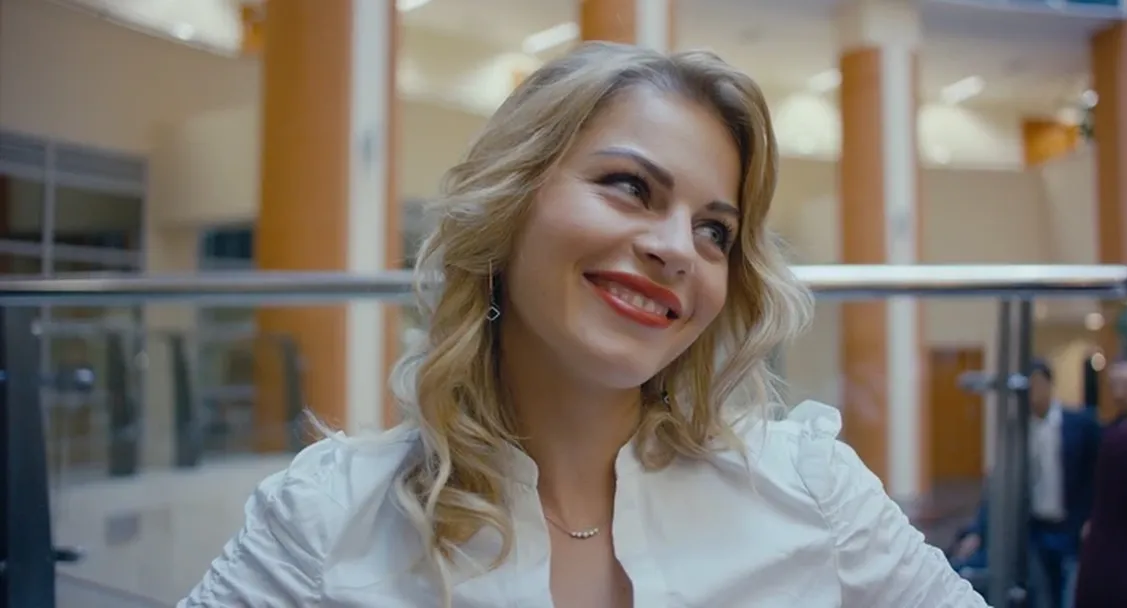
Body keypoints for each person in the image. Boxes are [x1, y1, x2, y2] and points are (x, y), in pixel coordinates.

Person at [180, 43, 985, 607]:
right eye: (631, 187)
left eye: (715, 230)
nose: (678, 249)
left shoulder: (811, 489)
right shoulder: (328, 519)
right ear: (510, 202)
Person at [949, 360, 1100, 608]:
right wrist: (977, 530)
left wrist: (1092, 517)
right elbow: (999, 483)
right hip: (1035, 528)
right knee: (1040, 593)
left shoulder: (1079, 425)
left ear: (1049, 385)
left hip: (1070, 525)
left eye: (1038, 385)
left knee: (1069, 591)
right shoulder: (1018, 429)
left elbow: (1095, 474)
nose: (1033, 393)